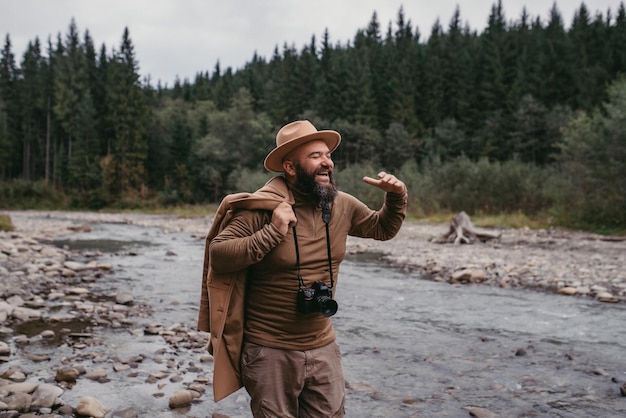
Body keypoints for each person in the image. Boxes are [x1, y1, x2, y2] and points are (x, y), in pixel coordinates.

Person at [197, 119, 407, 417]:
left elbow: (381, 228)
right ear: (291, 168)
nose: (327, 163)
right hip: (269, 350)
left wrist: (396, 196)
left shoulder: (341, 205)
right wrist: (272, 232)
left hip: (323, 345)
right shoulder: (262, 208)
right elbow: (219, 255)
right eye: (315, 156)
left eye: (328, 155)